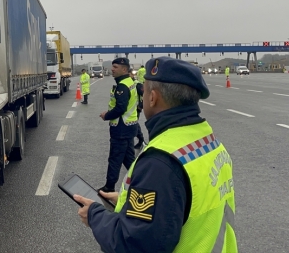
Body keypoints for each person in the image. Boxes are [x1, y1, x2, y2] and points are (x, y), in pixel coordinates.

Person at [75, 56, 237, 253]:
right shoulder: (209, 143)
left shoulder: (161, 161)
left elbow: (133, 244)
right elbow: (182, 205)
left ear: (152, 97)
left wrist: (94, 215)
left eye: (144, 91)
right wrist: (131, 202)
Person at [98, 57, 138, 192]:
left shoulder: (122, 86)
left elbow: (121, 108)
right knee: (129, 160)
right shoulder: (129, 81)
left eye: (115, 67)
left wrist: (106, 116)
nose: (112, 69)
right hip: (129, 126)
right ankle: (140, 182)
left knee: (115, 159)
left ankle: (109, 187)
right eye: (112, 66)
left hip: (121, 128)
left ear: (124, 69)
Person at [134, 64, 147, 149]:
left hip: (136, 108)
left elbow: (145, 94)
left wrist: (141, 105)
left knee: (134, 124)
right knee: (134, 124)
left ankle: (141, 140)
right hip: (128, 109)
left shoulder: (137, 84)